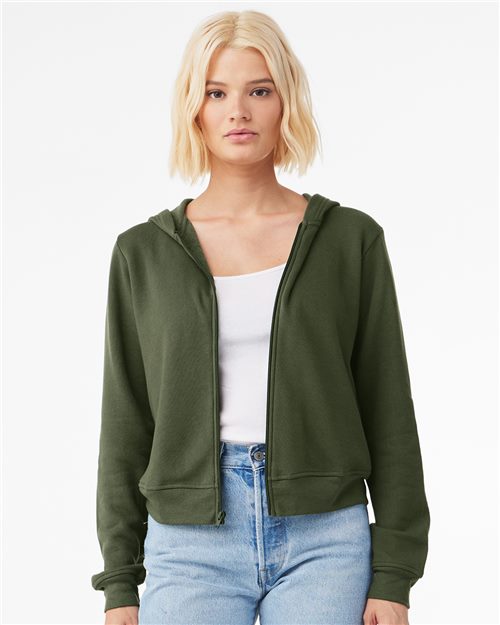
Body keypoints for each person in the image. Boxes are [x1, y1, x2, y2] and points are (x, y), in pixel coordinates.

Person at [91, 9, 430, 625]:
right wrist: (119, 584)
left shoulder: (350, 240)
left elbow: (387, 407)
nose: (238, 112)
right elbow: (126, 419)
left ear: (285, 103)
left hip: (326, 539)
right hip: (189, 544)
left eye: (259, 91)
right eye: (216, 93)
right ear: (194, 108)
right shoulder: (142, 253)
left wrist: (395, 573)